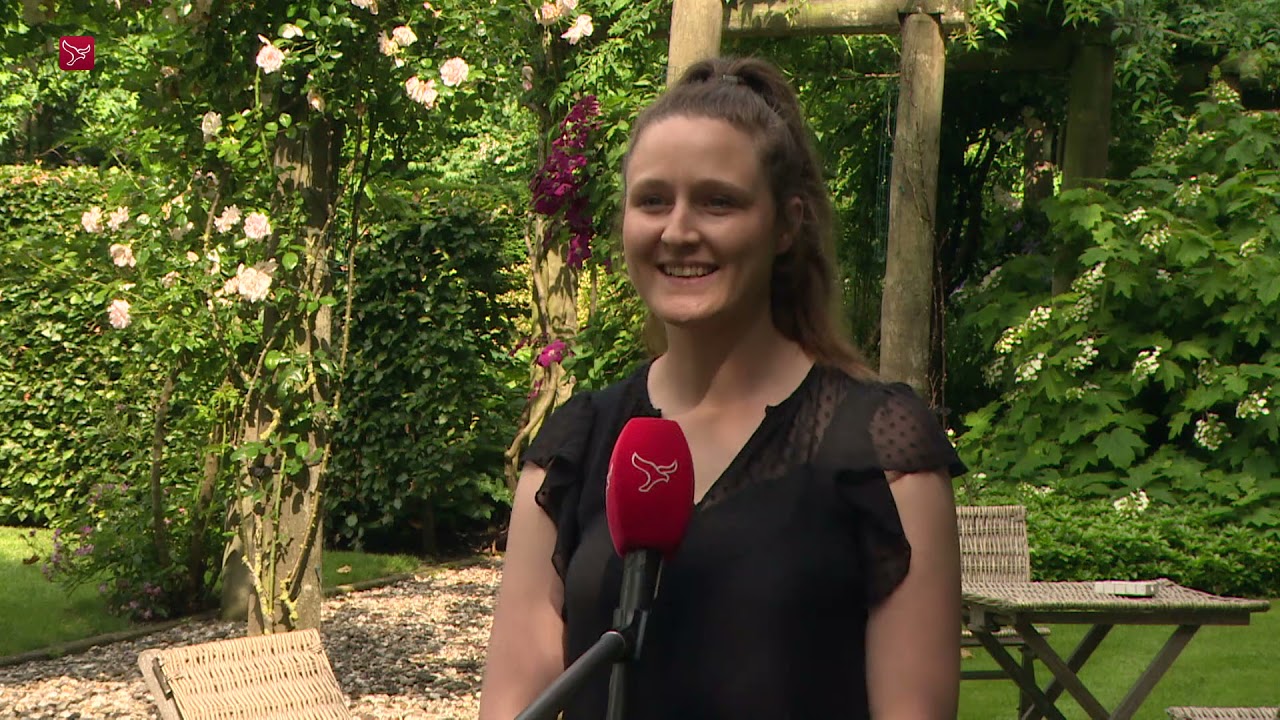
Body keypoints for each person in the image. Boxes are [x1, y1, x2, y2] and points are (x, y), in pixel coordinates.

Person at [479, 55, 964, 720]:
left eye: (718, 202)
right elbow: (510, 704)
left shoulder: (880, 451)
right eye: (653, 200)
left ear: (787, 224)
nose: (679, 231)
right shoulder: (574, 449)